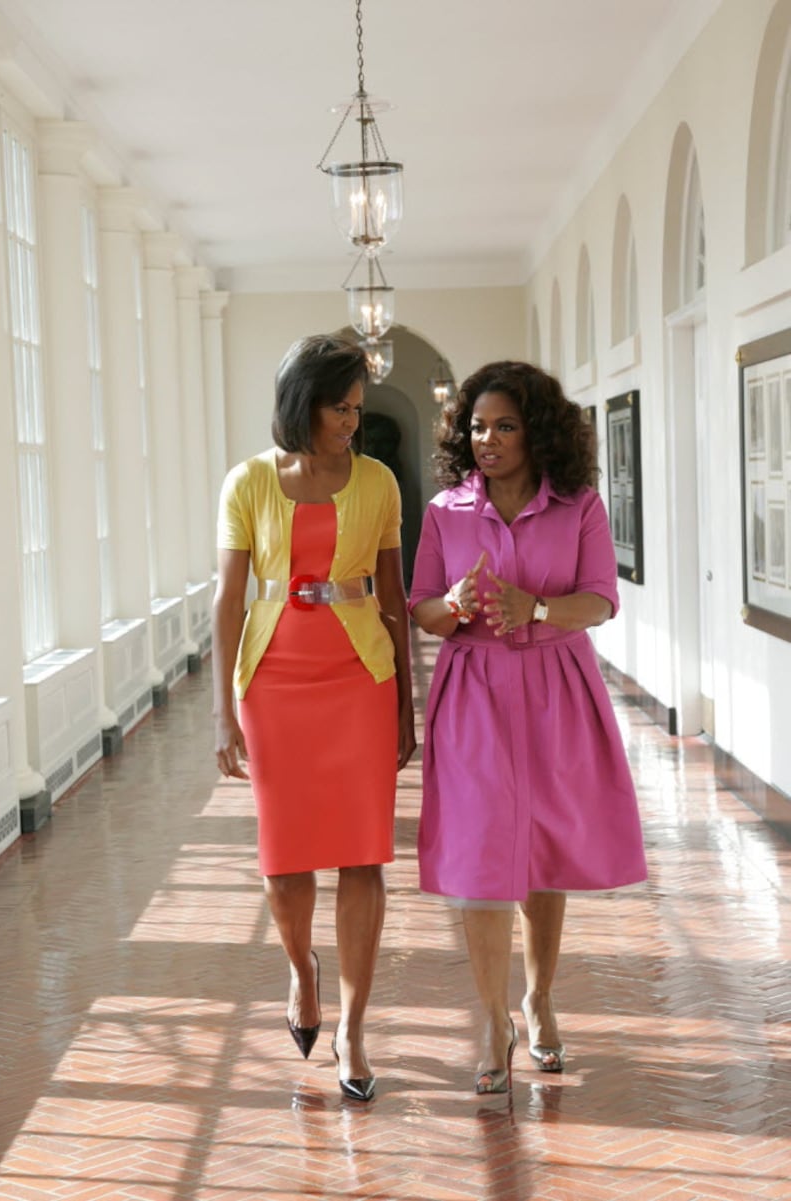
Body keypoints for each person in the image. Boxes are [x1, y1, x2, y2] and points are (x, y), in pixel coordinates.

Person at [409, 360, 647, 1095]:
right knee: (483, 853)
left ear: (535, 429)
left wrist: (535, 608)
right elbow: (420, 608)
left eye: (505, 425)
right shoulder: (445, 509)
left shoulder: (578, 504)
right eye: (478, 426)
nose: (488, 439)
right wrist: (451, 602)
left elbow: (603, 600)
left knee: (540, 848)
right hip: (474, 690)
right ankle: (491, 1019)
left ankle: (538, 998)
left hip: (555, 687)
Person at [212, 334, 416, 1102]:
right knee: (285, 858)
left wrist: (405, 706)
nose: (352, 423)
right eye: (340, 407)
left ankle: (355, 1028)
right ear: (304, 404)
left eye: (359, 409)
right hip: (272, 683)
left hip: (358, 677)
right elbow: (229, 599)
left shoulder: (380, 483)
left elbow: (393, 601)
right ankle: (302, 973)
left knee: (364, 855)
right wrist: (221, 714)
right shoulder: (249, 482)